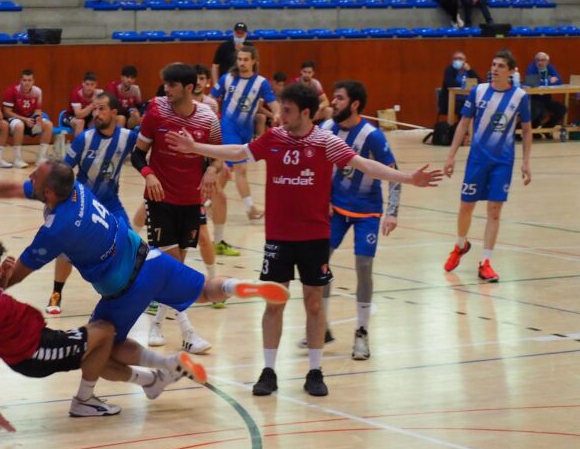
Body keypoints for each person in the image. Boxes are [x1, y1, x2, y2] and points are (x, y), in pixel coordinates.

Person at [167, 82, 442, 397]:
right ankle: (268, 371)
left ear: (306, 113)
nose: (279, 116)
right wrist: (195, 148)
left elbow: (364, 165)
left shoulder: (326, 142)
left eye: (287, 111)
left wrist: (408, 178)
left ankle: (315, 371)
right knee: (274, 302)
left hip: (314, 236)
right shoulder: (275, 138)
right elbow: (239, 151)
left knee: (313, 303)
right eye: (280, 109)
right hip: (278, 237)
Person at [0, 162, 287, 408]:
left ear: (48, 191)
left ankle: (92, 396)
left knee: (100, 345)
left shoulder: (58, 228)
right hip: (149, 258)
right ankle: (240, 285)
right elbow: (13, 188)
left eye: (35, 174)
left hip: (125, 288)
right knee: (207, 290)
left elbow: (13, 279)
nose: (29, 176)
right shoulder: (74, 188)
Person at [0, 234, 208, 427]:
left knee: (99, 349)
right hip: (33, 352)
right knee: (104, 332)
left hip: (37, 337)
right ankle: (84, 400)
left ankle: (152, 380)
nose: (0, 270)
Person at [132, 62, 223, 354]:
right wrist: (150, 175)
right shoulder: (156, 112)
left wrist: (212, 171)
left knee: (175, 269)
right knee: (172, 266)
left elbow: (217, 156)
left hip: (191, 202)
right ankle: (188, 332)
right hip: (160, 200)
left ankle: (157, 323)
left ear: (188, 87)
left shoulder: (208, 118)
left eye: (171, 86)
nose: (166, 91)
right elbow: (137, 156)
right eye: (165, 85)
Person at [319, 81, 401, 360]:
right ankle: (322, 327)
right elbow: (317, 167)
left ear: (354, 104)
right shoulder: (326, 129)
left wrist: (392, 212)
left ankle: (362, 332)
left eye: (339, 98)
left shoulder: (372, 136)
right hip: (336, 210)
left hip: (367, 210)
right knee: (320, 263)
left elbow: (393, 173)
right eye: (334, 97)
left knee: (363, 266)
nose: (334, 102)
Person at [443, 50, 532, 283]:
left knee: (494, 211)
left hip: (503, 162)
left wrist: (525, 162)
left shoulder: (520, 97)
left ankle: (485, 262)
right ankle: (460, 245)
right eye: (493, 65)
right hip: (477, 160)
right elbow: (463, 123)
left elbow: (528, 129)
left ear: (511, 71)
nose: (494, 69)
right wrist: (450, 156)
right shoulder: (479, 91)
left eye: (501, 66)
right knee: (466, 207)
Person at [48, 92, 141, 315]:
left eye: (101, 109)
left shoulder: (127, 137)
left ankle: (135, 293)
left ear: (114, 113)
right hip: (80, 201)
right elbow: (63, 169)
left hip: (110, 201)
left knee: (131, 243)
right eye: (95, 109)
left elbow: (150, 138)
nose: (96, 114)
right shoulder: (85, 139)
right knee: (65, 247)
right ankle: (56, 294)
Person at [212, 45, 279, 234]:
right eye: (239, 59)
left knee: (226, 171)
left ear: (254, 61)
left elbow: (274, 104)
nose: (241, 63)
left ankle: (209, 203)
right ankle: (250, 209)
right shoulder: (228, 79)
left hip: (246, 131)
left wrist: (278, 114)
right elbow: (211, 99)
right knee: (240, 168)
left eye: (245, 60)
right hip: (228, 128)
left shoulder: (261, 83)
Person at [2, 69, 54, 168]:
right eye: (24, 80)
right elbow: (7, 112)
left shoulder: (37, 91)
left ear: (33, 81)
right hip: (13, 118)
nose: (27, 83)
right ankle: (17, 158)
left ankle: (41, 157)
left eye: (29, 80)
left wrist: (36, 119)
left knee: (48, 125)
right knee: (19, 125)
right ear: (20, 80)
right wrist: (25, 120)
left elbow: (38, 110)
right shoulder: (12, 91)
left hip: (29, 119)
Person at [525, 52, 567, 133]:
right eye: (538, 60)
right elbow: (531, 82)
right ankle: (521, 131)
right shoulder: (531, 68)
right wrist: (548, 81)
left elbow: (559, 81)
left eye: (543, 60)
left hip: (546, 99)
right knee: (538, 111)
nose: (540, 62)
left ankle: (547, 129)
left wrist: (541, 81)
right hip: (534, 99)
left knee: (561, 109)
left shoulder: (550, 67)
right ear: (535, 61)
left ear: (547, 61)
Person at [438, 50, 480, 118]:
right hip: (451, 101)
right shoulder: (449, 69)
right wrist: (466, 85)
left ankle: (470, 128)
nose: (457, 60)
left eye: (460, 59)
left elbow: (479, 83)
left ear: (465, 61)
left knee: (474, 106)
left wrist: (470, 71)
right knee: (466, 108)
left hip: (467, 100)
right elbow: (450, 83)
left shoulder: (469, 71)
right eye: (455, 59)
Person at [66, 72, 102, 137]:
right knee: (80, 122)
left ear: (96, 85)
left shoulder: (99, 94)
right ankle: (78, 146)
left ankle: (92, 144)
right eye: (87, 84)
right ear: (83, 83)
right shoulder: (76, 93)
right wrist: (93, 104)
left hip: (88, 117)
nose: (89, 87)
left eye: (92, 84)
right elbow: (78, 115)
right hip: (71, 116)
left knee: (98, 119)